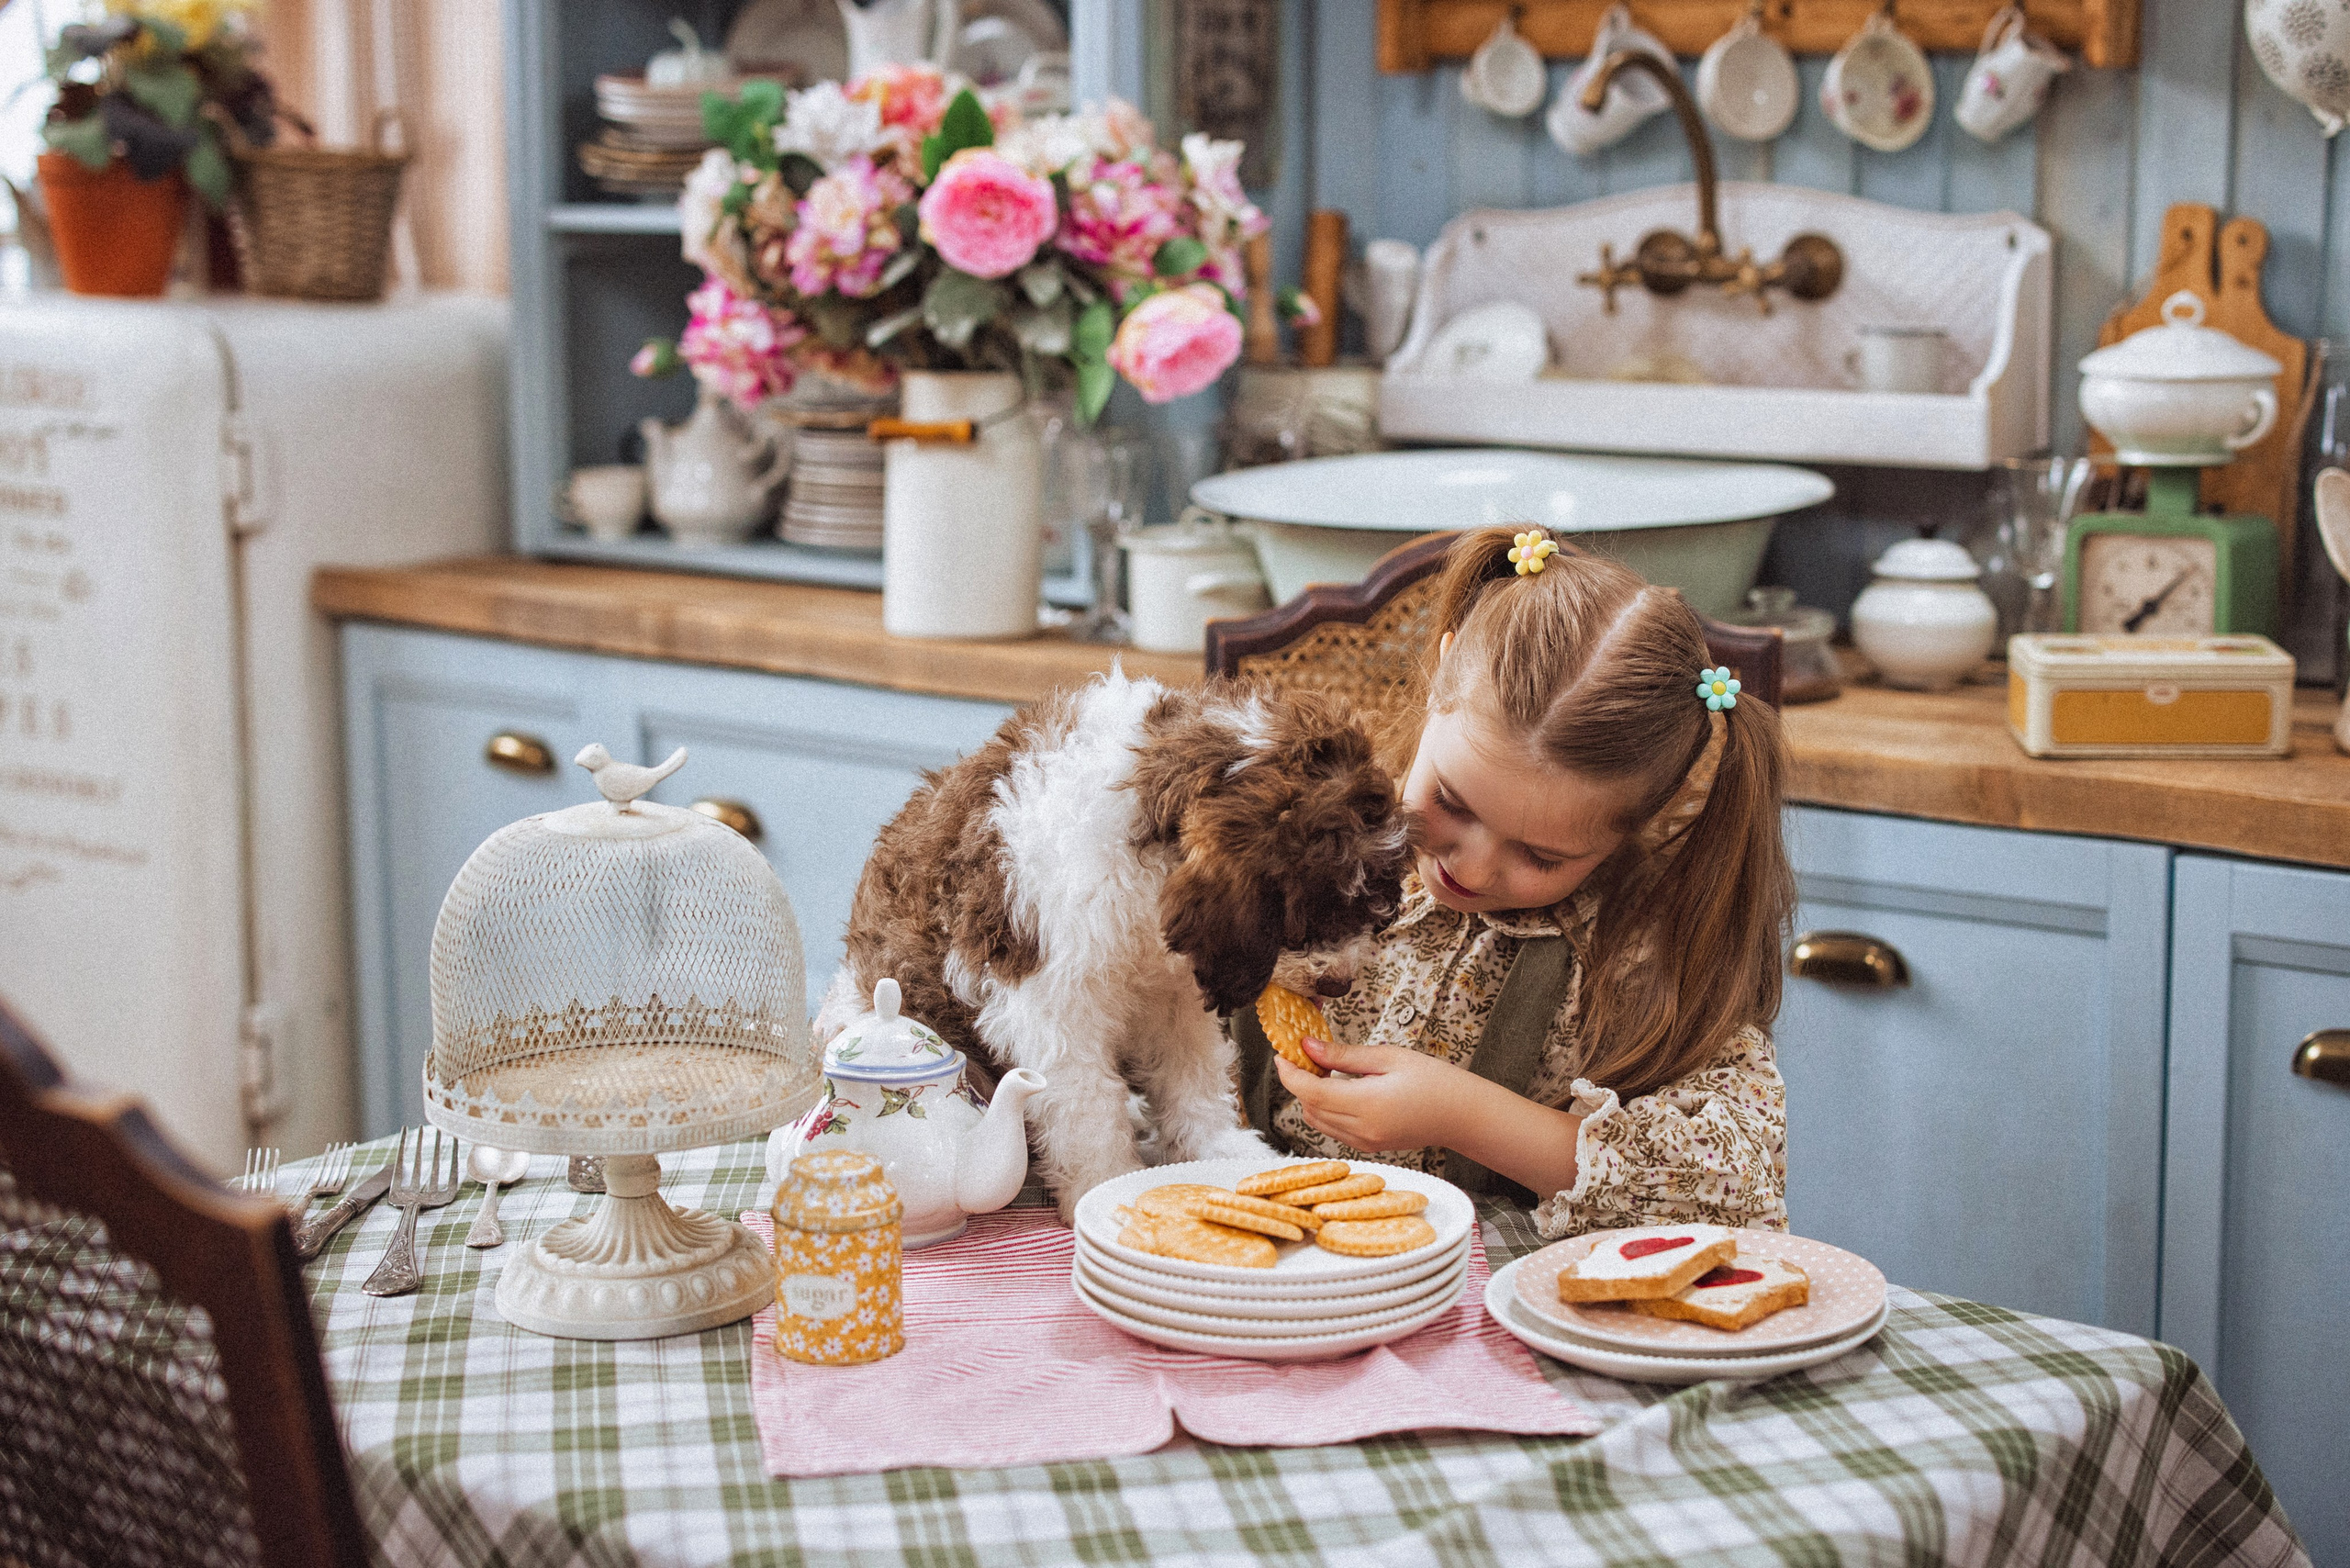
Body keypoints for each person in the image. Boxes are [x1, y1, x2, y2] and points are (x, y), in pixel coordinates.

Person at [1234, 525, 1796, 1239]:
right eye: (1453, 803)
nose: (1470, 867)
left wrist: (1467, 1116)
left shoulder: (1632, 953)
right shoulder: (1295, 831)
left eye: (1540, 857)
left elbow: (1740, 1181)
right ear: (1439, 677)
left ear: (1629, 829)